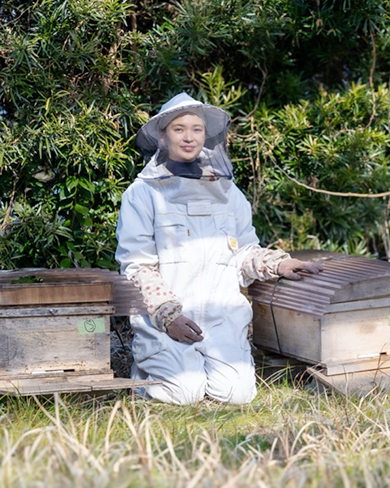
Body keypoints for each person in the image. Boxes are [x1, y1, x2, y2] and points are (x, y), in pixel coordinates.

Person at [116, 93, 321, 405]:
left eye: (197, 129)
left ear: (206, 135)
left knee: (237, 396)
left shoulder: (228, 192)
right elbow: (137, 266)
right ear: (162, 134)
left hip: (221, 317)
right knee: (183, 394)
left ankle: (200, 370)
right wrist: (169, 317)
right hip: (170, 319)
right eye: (179, 129)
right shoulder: (142, 194)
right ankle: (145, 381)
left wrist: (279, 264)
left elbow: (243, 253)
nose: (189, 137)